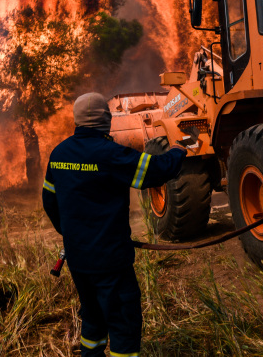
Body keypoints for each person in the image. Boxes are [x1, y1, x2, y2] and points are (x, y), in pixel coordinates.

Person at [42, 92, 186, 357]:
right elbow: (155, 171)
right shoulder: (108, 154)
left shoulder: (58, 153)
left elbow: (49, 202)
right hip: (110, 261)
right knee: (123, 323)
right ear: (104, 120)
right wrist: (178, 151)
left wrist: (73, 234)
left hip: (78, 259)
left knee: (93, 320)